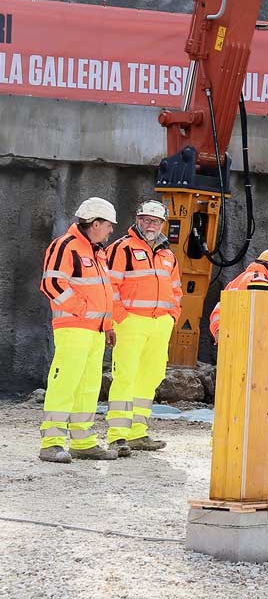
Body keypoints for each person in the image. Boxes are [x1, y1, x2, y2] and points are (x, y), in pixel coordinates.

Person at [38, 197, 122, 463]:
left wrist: (106, 325)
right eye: (109, 225)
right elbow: (52, 284)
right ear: (95, 223)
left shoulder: (97, 251)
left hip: (95, 332)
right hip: (74, 328)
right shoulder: (66, 246)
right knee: (65, 383)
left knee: (88, 386)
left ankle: (82, 441)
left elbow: (102, 293)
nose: (111, 230)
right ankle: (51, 443)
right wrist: (82, 309)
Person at [104, 200, 182, 455]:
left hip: (160, 325)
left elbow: (176, 290)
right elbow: (109, 287)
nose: (150, 225)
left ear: (162, 225)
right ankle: (117, 435)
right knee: (125, 376)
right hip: (131, 322)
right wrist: (121, 317)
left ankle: (138, 433)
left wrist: (172, 316)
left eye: (155, 221)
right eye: (146, 219)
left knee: (150, 377)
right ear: (137, 219)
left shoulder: (168, 255)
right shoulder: (121, 249)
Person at [208, 248, 268, 343]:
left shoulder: (236, 281)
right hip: (247, 342)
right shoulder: (261, 280)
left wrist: (218, 330)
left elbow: (219, 309)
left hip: (228, 341)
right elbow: (263, 318)